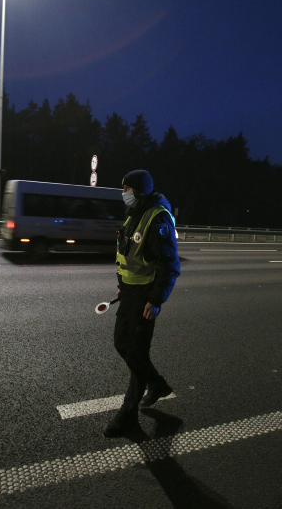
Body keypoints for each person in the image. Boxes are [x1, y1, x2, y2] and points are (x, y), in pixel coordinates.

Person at [104, 169, 181, 437]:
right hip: (130, 294)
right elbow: (129, 256)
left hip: (145, 297)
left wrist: (156, 299)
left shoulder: (157, 217)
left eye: (126, 188)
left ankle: (128, 415)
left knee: (136, 353)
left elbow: (169, 265)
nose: (123, 193)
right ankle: (157, 384)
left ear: (138, 191)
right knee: (121, 344)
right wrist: (122, 287)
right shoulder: (135, 213)